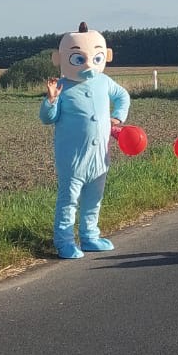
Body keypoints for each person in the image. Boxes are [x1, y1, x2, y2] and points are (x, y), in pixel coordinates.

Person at [40, 22, 130, 259]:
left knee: (94, 198)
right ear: (60, 59)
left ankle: (90, 236)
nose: (89, 64)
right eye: (79, 59)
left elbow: (122, 96)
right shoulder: (62, 86)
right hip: (72, 158)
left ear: (106, 56)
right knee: (68, 200)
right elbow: (48, 119)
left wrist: (117, 117)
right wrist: (50, 100)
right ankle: (64, 241)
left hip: (100, 157)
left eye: (97, 58)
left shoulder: (103, 82)